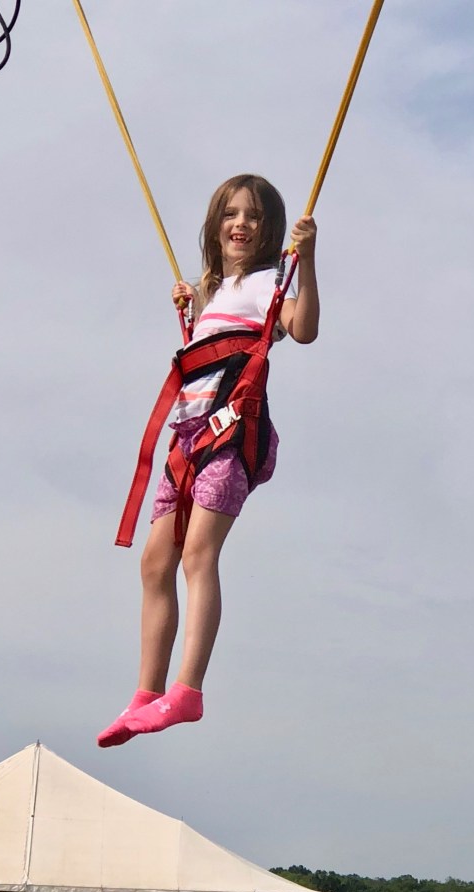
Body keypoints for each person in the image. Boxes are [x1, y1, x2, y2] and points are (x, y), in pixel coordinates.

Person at [98, 173, 319, 747]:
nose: (241, 223)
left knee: (198, 552)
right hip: (188, 436)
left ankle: (187, 691)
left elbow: (303, 330)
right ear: (215, 225)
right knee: (155, 562)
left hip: (232, 433)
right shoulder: (211, 293)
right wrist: (192, 304)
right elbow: (205, 340)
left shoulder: (271, 283)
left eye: (254, 216)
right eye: (231, 214)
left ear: (270, 231)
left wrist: (308, 260)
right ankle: (146, 694)